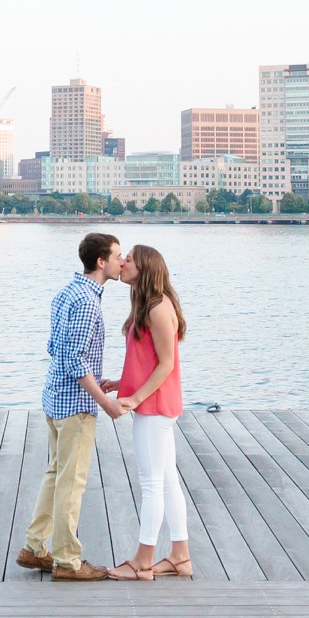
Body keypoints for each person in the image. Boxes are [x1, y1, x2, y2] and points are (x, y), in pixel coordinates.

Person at [17, 232, 126, 581]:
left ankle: (35, 547)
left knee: (55, 474)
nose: (121, 262)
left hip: (54, 397)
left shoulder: (67, 292)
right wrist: (106, 402)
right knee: (72, 481)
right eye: (117, 256)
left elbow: (55, 347)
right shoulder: (87, 302)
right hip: (74, 404)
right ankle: (67, 561)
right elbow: (75, 360)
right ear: (101, 262)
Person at [106, 244, 190, 580]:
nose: (123, 263)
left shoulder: (157, 308)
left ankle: (143, 562)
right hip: (155, 404)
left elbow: (167, 365)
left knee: (152, 483)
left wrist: (134, 398)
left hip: (154, 407)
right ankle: (180, 557)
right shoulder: (148, 305)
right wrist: (120, 382)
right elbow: (148, 360)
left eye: (129, 260)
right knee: (167, 481)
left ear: (146, 269)